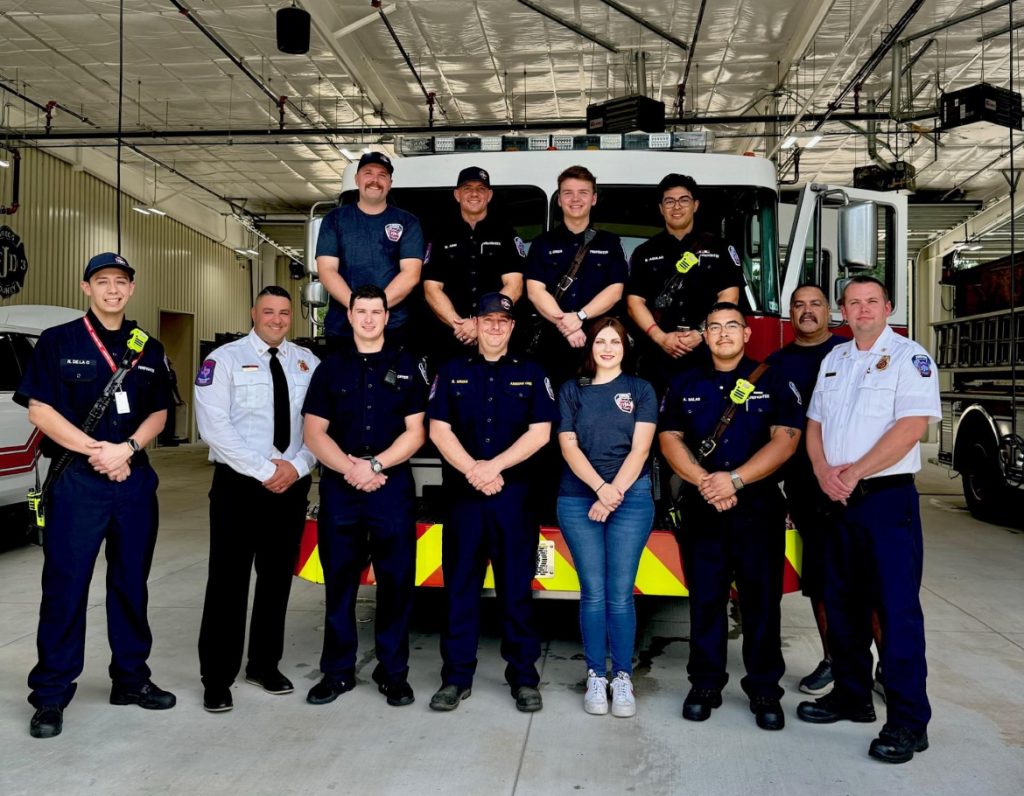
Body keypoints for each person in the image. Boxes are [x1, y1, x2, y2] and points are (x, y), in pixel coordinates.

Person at [14, 252, 175, 739]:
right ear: (86, 288)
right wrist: (98, 453)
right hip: (78, 480)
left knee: (131, 584)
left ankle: (130, 679)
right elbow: (39, 411)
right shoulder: (58, 341)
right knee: (66, 586)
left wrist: (126, 450)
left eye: (121, 282)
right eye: (102, 281)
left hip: (132, 481)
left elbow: (161, 413)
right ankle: (50, 695)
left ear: (131, 288)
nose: (112, 290)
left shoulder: (147, 347)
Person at [797, 275, 941, 765]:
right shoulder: (834, 359)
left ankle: (907, 721)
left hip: (884, 500)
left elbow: (911, 426)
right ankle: (851, 695)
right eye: (853, 303)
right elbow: (814, 424)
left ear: (889, 306)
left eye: (871, 302)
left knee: (896, 612)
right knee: (842, 605)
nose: (861, 310)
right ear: (843, 310)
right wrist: (822, 472)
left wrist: (854, 472)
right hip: (835, 498)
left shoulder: (911, 358)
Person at [659, 302, 802, 731]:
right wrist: (706, 481)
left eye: (731, 326)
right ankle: (704, 684)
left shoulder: (774, 378)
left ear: (746, 334)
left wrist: (735, 480)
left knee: (761, 603)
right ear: (704, 335)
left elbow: (787, 440)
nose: (723, 333)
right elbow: (669, 439)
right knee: (705, 600)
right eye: (714, 326)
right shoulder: (684, 380)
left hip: (757, 508)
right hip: (702, 508)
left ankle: (763, 689)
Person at [426, 292, 558, 713]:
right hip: (465, 498)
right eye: (488, 320)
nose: (496, 327)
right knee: (460, 589)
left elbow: (541, 433)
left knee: (516, 590)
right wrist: (473, 471)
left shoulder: (533, 373)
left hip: (514, 499)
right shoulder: (450, 371)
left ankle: (523, 678)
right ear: (476, 325)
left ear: (512, 327)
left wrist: (493, 468)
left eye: (503, 321)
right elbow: (438, 430)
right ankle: (455, 678)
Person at [193, 285, 319, 713]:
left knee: (276, 580)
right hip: (239, 487)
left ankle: (264, 665)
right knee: (228, 582)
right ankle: (217, 677)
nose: (278, 319)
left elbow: (321, 427)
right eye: (269, 312)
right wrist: (268, 470)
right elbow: (214, 427)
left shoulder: (308, 363)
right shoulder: (223, 361)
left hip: (291, 485)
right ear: (254, 313)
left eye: (284, 312)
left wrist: (298, 467)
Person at [302, 285, 427, 707]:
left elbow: (417, 432)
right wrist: (351, 468)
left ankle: (393, 674)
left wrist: (374, 466)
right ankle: (336, 673)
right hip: (342, 489)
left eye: (377, 311)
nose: (370, 319)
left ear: (387, 317)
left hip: (391, 489)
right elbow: (314, 433)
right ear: (350, 316)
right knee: (339, 584)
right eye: (362, 311)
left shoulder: (407, 365)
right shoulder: (329, 368)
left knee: (396, 585)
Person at [556, 317, 657, 718]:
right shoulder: (571, 390)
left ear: (625, 348)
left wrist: (613, 494)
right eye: (601, 341)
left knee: (620, 593)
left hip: (630, 498)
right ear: (590, 347)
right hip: (579, 498)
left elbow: (640, 449)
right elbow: (569, 446)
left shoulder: (641, 389)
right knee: (593, 592)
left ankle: (623, 677)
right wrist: (601, 490)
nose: (608, 348)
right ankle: (596, 674)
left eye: (615, 341)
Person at [766, 284, 845, 694]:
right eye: (799, 305)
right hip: (804, 486)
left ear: (829, 310)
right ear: (790, 313)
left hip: (855, 484)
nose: (807, 311)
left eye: (815, 304)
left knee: (871, 579)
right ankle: (834, 660)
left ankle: (883, 669)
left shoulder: (851, 355)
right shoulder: (775, 365)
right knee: (820, 578)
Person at [627, 173, 745, 391]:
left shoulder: (720, 248)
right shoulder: (644, 252)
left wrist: (701, 333)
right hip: (656, 356)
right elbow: (634, 303)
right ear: (661, 208)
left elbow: (730, 297)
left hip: (706, 353)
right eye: (669, 201)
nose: (676, 207)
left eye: (684, 200)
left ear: (695, 205)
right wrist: (660, 337)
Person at [524, 165, 627, 387]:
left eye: (583, 192)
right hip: (551, 345)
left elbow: (615, 290)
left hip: (599, 346)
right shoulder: (542, 243)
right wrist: (566, 325)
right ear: (559, 200)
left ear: (594, 199)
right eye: (568, 193)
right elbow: (535, 291)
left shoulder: (610, 243)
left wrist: (579, 316)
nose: (575, 199)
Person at [314, 151, 425, 346]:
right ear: (357, 179)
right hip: (342, 329)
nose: (375, 180)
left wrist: (375, 311)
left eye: (382, 175)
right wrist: (358, 310)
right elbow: (326, 270)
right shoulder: (334, 219)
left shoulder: (408, 222)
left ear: (390, 182)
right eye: (368, 173)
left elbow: (411, 274)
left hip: (393, 328)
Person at [423, 165, 526, 368]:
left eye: (480, 188)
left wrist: (480, 325)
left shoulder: (505, 232)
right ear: (457, 194)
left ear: (489, 195)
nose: (474, 193)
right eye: (467, 188)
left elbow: (514, 286)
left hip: (495, 338)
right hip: (451, 337)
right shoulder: (440, 234)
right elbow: (431, 289)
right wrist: (459, 325)